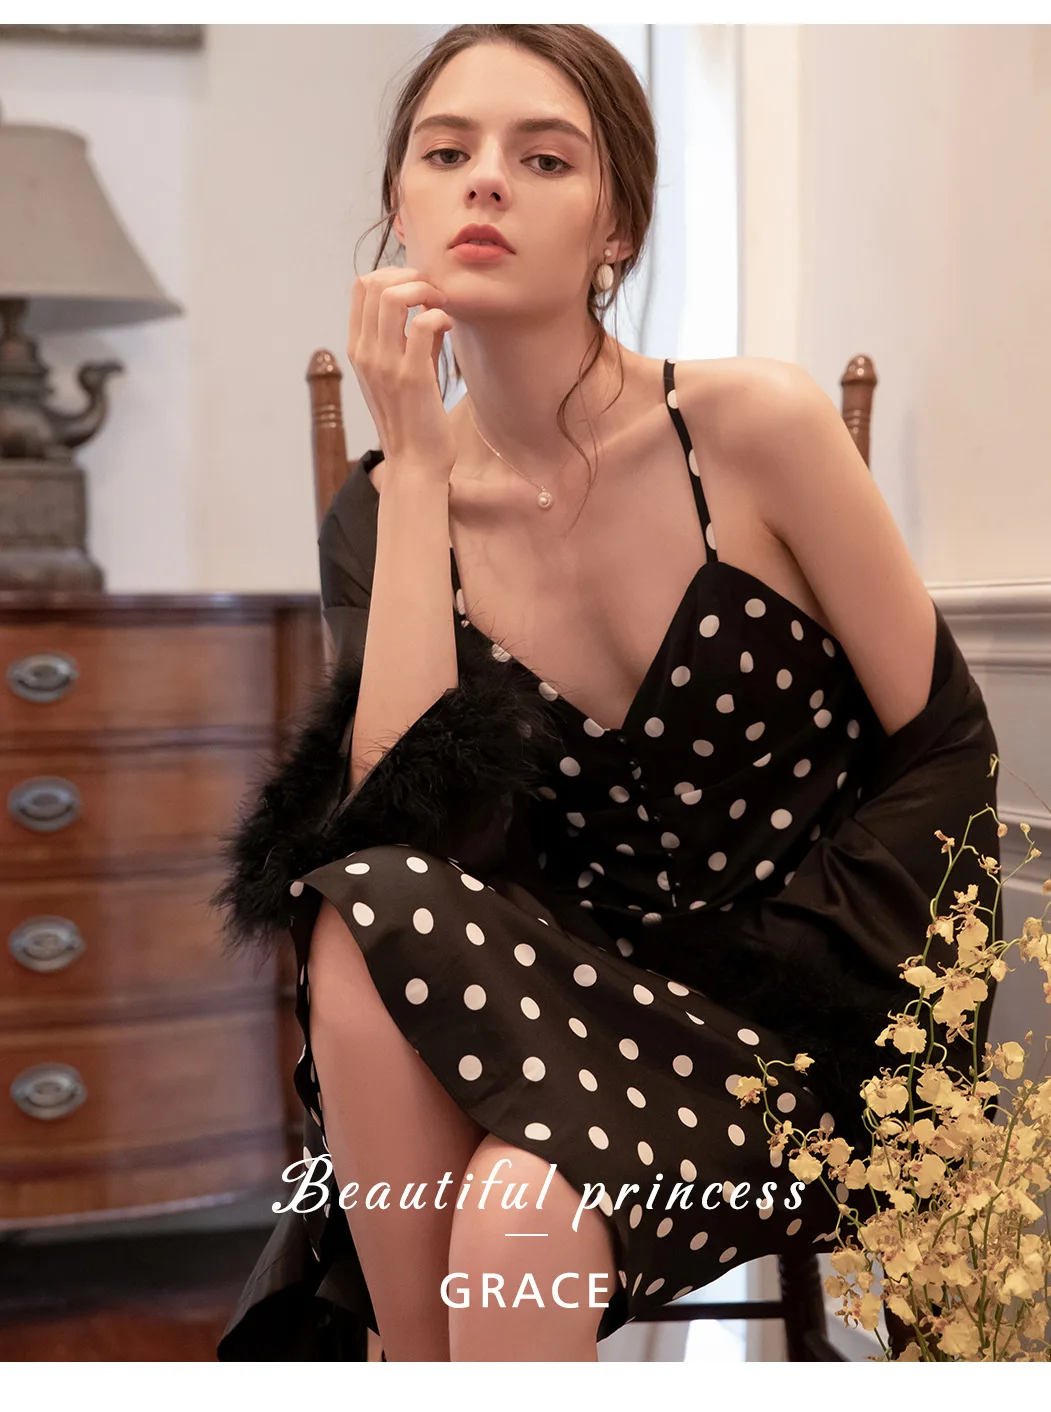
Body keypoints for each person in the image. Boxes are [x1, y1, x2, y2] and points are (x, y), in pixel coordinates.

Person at [212, 24, 1002, 1363]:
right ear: (397, 210)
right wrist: (415, 471)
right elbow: (409, 852)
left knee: (512, 1214)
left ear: (616, 227)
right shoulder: (382, 513)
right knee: (368, 920)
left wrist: (828, 984)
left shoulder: (758, 428)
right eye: (445, 153)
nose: (485, 180)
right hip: (572, 1018)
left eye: (544, 158)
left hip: (812, 1007)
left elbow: (947, 750)